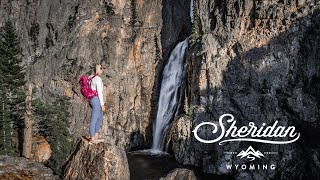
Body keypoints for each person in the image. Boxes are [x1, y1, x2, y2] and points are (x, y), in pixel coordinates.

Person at [88, 64, 106, 143]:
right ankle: (92, 138)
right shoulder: (97, 79)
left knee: (100, 117)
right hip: (96, 100)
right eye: (102, 69)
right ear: (98, 69)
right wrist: (102, 104)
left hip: (93, 99)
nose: (103, 71)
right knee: (94, 119)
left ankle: (96, 135)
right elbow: (99, 92)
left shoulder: (91, 77)